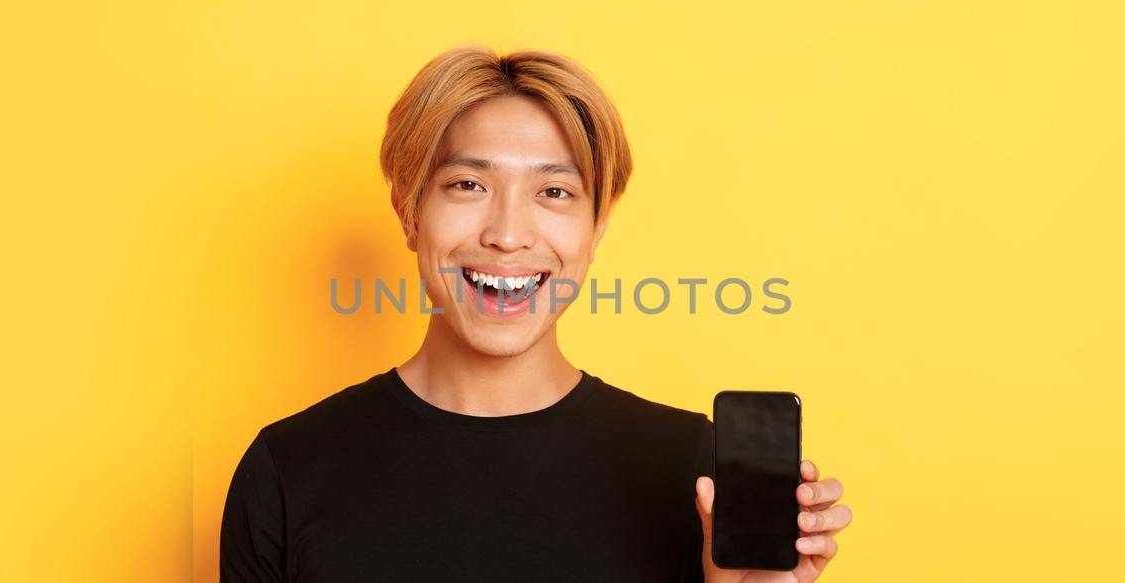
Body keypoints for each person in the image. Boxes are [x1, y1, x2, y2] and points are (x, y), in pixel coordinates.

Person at [220, 45, 852, 582]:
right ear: (409, 212)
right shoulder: (286, 472)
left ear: (596, 229)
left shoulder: (698, 477)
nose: (507, 234)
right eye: (469, 185)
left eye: (554, 192)